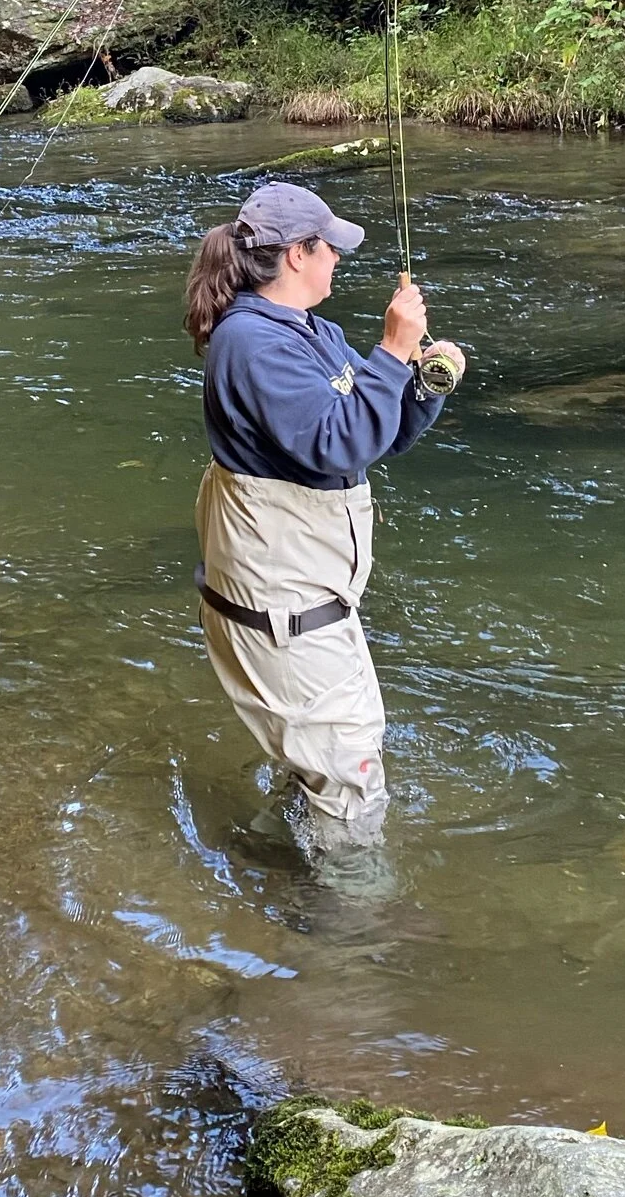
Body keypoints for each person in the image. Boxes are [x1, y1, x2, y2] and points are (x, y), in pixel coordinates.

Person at [185, 181, 464, 849]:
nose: (338, 259)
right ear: (296, 254)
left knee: (329, 761)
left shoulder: (315, 332)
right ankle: (356, 909)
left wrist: (423, 382)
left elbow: (377, 435)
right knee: (349, 784)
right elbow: (336, 443)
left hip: (310, 597)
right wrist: (390, 351)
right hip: (283, 609)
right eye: (330, 248)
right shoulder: (251, 343)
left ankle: (271, 865)